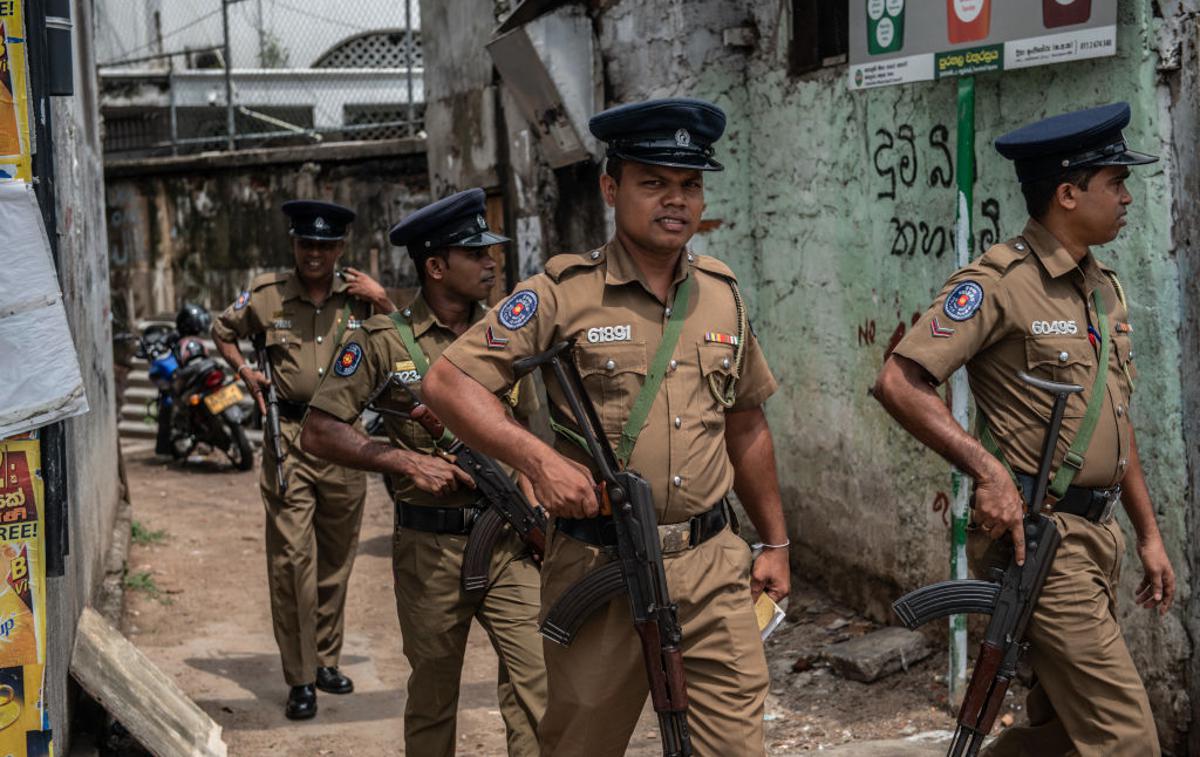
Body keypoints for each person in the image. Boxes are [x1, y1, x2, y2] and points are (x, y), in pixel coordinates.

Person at [421, 98, 790, 756]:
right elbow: (449, 383)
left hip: (711, 565)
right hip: (601, 562)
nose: (676, 201)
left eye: (690, 185)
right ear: (612, 189)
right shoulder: (563, 293)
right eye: (654, 183)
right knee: (580, 744)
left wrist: (777, 542)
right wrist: (539, 462)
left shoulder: (722, 293)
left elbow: (746, 420)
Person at [873, 102, 1175, 756]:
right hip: (1043, 541)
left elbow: (1114, 422)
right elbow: (899, 381)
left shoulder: (1104, 291)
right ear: (1067, 193)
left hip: (1099, 538)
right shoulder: (1000, 282)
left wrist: (1149, 534)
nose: (1126, 197)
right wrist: (987, 470)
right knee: (1127, 738)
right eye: (1115, 182)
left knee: (1061, 732)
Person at [300, 188, 547, 755]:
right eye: (476, 253)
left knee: (539, 688)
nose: (491, 262)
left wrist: (538, 518)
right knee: (434, 697)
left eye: (491, 252)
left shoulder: (506, 335)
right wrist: (402, 459)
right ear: (436, 266)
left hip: (510, 539)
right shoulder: (382, 341)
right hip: (430, 550)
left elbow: (527, 437)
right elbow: (319, 429)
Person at [211, 200, 395, 720]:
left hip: (344, 439)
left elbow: (404, 341)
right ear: (295, 245)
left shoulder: (360, 299)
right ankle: (300, 677)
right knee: (293, 561)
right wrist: (246, 373)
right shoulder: (268, 296)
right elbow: (223, 331)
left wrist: (382, 299)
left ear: (341, 249)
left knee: (337, 560)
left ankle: (326, 661)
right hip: (288, 437)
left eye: (325, 245)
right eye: (306, 244)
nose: (315, 253)